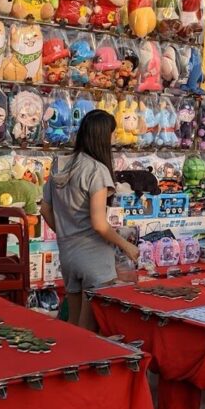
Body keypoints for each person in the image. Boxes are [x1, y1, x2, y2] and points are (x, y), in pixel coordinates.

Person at [40, 110, 139, 329]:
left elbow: (45, 208)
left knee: (73, 321)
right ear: (102, 136)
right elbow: (99, 224)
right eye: (112, 134)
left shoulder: (60, 164)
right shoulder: (96, 170)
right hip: (94, 256)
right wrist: (126, 245)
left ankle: (69, 359)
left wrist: (65, 232)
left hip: (68, 254)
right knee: (89, 325)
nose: (113, 139)